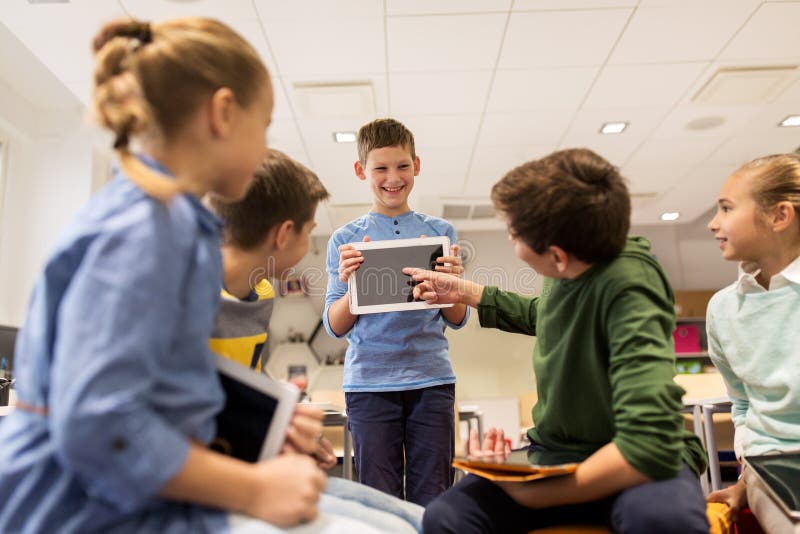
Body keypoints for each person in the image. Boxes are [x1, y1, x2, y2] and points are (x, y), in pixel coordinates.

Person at [0, 17, 382, 534]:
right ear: (224, 113)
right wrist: (255, 489)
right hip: (79, 506)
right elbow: (98, 425)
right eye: (264, 124)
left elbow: (159, 396)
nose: (265, 142)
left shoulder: (172, 221)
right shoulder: (146, 226)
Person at [405, 148, 709, 533]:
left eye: (514, 236)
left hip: (634, 458)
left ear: (558, 257)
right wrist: (466, 293)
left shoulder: (630, 285)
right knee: (447, 516)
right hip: (558, 451)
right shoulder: (576, 261)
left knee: (664, 521)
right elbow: (547, 315)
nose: (513, 243)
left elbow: (647, 444)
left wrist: (539, 495)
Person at [207, 148, 424, 532]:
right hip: (215, 487)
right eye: (309, 231)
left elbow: (242, 387)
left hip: (251, 466)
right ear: (283, 234)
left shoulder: (261, 293)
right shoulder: (185, 301)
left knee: (418, 517)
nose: (309, 245)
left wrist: (281, 425)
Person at [323, 118, 469, 506]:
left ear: (417, 166)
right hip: (370, 384)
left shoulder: (440, 232)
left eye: (403, 166)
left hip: (431, 379)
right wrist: (353, 285)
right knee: (379, 500)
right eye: (380, 169)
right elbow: (334, 326)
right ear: (361, 171)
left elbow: (456, 318)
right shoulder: (345, 239)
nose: (393, 177)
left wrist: (451, 287)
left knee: (434, 496)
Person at [704, 153, 800, 533]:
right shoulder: (723, 309)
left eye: (726, 209)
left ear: (779, 216)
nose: (713, 224)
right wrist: (748, 482)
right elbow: (743, 404)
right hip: (772, 467)